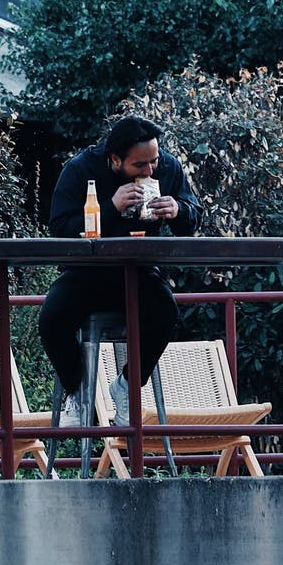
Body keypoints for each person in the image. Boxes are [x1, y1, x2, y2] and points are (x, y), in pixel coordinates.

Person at [40, 113, 204, 418]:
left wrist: (179, 209)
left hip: (139, 271)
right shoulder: (80, 169)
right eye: (140, 165)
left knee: (166, 313)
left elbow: (194, 217)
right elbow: (60, 228)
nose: (150, 169)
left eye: (153, 161)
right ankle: (77, 391)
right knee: (52, 320)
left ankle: (128, 385)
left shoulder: (166, 166)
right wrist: (109, 208)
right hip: (85, 273)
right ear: (115, 160)